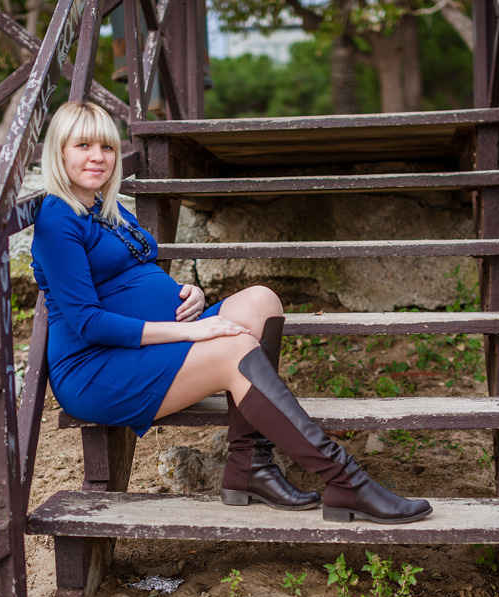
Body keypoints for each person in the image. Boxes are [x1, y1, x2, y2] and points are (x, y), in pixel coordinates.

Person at [31, 100, 432, 525]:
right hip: (96, 368)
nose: (98, 157)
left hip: (150, 342)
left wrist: (191, 296)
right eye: (83, 146)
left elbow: (133, 272)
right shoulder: (58, 219)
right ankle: (345, 478)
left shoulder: (103, 206)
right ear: (59, 152)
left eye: (107, 147)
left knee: (262, 301)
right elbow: (87, 322)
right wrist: (188, 333)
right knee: (231, 348)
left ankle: (249, 464)